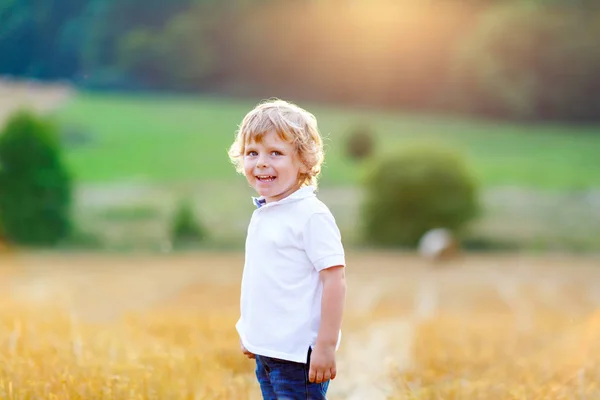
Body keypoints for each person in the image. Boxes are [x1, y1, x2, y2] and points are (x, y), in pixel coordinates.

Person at [228, 99, 347, 399]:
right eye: (252, 153)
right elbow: (261, 281)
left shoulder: (311, 215)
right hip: (269, 353)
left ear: (304, 162)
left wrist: (325, 346)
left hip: (298, 358)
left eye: (276, 153)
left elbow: (334, 280)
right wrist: (251, 332)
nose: (262, 162)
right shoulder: (265, 213)